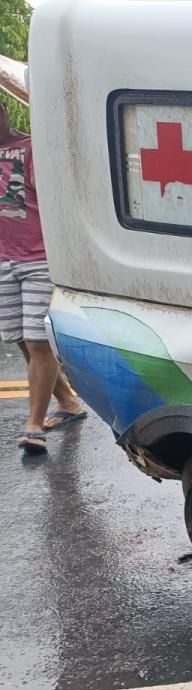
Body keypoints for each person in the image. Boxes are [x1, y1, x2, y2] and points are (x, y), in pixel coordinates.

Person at [0, 100, 86, 454]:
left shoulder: (31, 148)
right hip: (3, 260)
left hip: (39, 258)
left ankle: (33, 424)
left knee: (38, 341)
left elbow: (57, 201)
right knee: (20, 337)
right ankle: (67, 401)